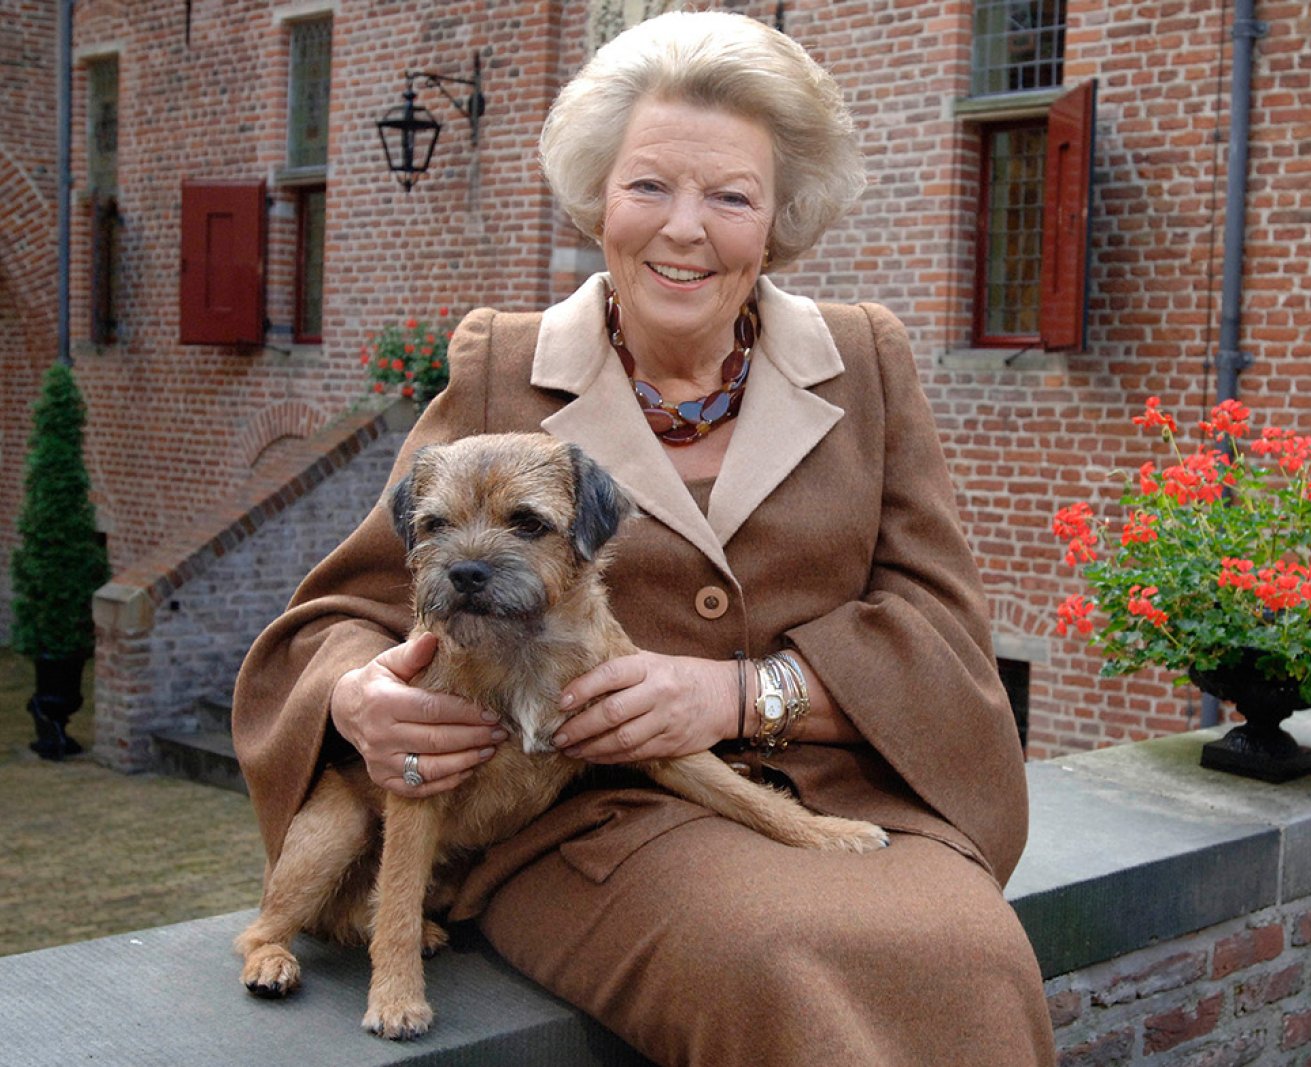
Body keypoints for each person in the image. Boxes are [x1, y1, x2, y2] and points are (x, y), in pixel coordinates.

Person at [234, 11, 1053, 1065]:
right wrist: (362, 695)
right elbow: (342, 614)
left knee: (970, 953)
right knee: (775, 954)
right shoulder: (503, 363)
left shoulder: (866, 358)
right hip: (582, 819)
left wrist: (743, 692)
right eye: (649, 185)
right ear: (597, 199)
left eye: (730, 195)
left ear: (776, 219)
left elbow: (941, 622)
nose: (684, 228)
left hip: (844, 793)